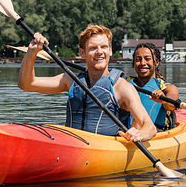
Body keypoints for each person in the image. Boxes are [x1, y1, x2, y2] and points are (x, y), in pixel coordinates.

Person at [18, 24, 156, 143]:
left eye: (104, 47)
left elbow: (149, 127)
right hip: (71, 145)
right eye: (93, 48)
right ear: (82, 53)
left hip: (105, 150)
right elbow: (26, 84)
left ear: (110, 50)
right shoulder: (70, 80)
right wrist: (32, 52)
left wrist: (139, 134)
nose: (99, 52)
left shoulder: (122, 87)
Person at [129, 43, 179, 131]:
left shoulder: (168, 89)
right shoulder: (124, 85)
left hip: (156, 133)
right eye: (138, 59)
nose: (142, 63)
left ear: (157, 62)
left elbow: (171, 106)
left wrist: (164, 100)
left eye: (147, 59)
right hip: (127, 132)